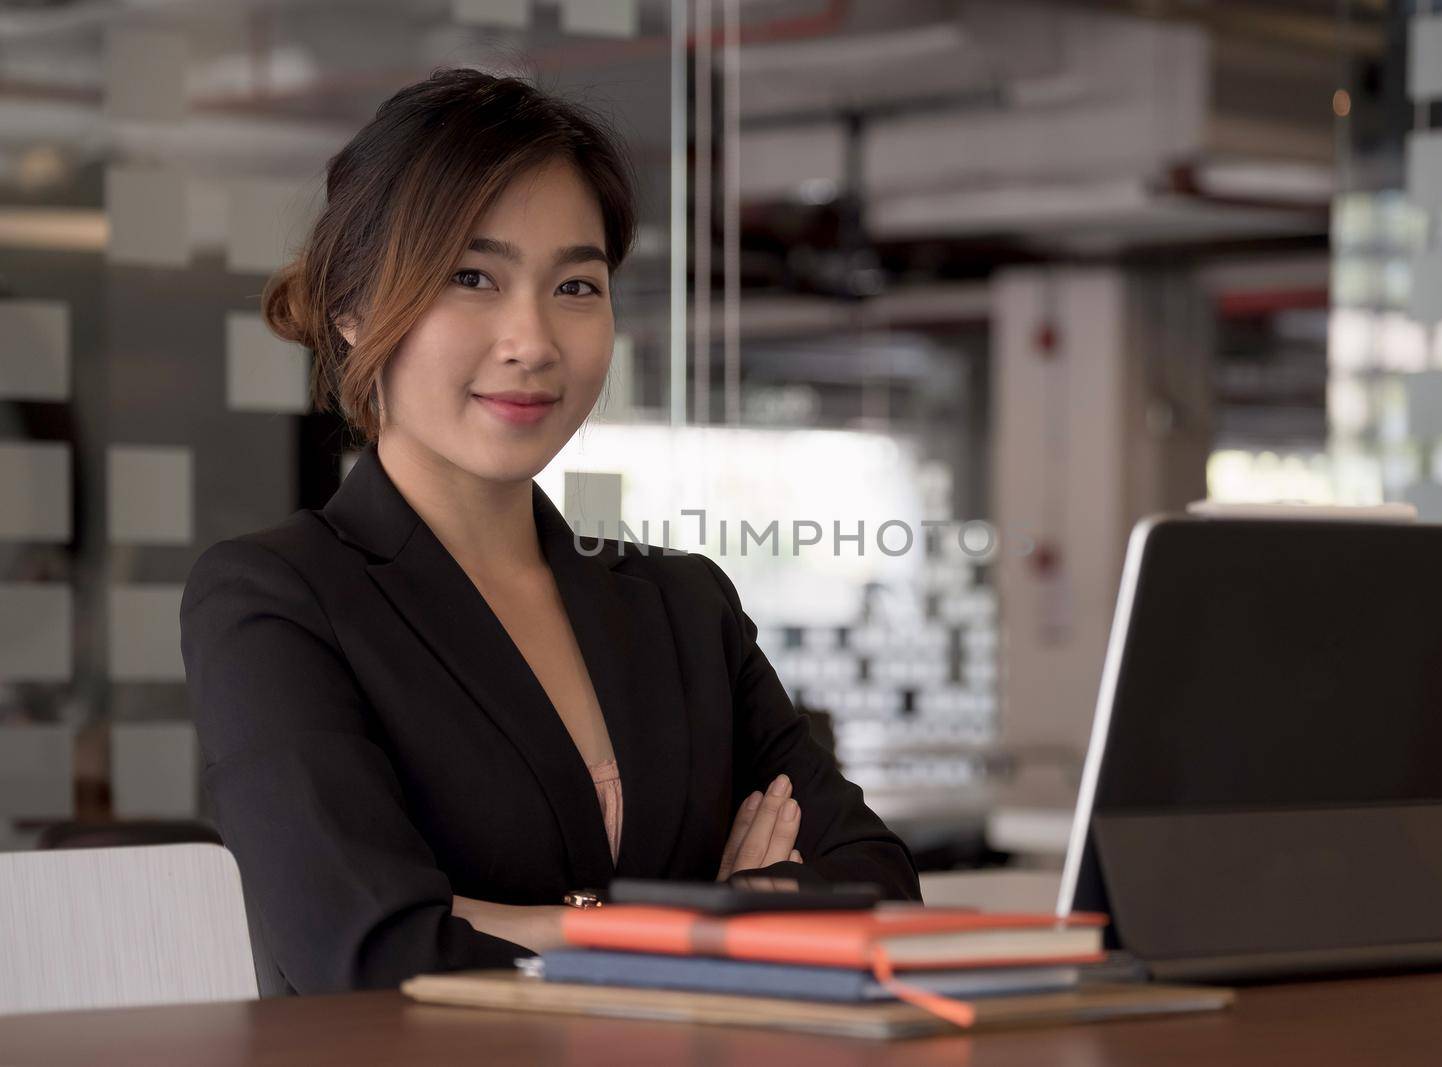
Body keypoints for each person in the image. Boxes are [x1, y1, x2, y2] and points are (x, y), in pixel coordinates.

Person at [179, 67, 921, 997]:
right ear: (355, 307)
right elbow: (368, 953)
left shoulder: (684, 605)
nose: (531, 340)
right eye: (471, 277)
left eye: (576, 284)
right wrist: (701, 919)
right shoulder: (279, 598)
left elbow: (878, 886)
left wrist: (504, 920)